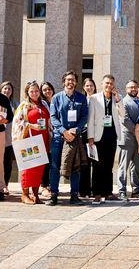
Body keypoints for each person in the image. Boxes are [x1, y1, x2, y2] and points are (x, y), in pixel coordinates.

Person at [48, 70, 89, 206]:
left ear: (76, 82)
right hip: (59, 138)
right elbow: (53, 117)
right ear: (63, 82)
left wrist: (75, 130)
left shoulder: (81, 98)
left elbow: (84, 117)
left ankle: (74, 195)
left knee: (75, 167)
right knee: (55, 166)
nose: (70, 82)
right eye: (68, 80)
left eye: (73, 80)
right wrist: (63, 131)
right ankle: (54, 194)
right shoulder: (56, 98)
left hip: (75, 138)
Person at [87, 75, 125, 204]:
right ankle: (97, 192)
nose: (109, 85)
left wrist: (118, 99)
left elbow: (123, 114)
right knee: (98, 165)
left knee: (109, 165)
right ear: (102, 84)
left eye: (111, 83)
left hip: (112, 136)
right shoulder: (94, 98)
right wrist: (90, 137)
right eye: (107, 83)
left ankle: (108, 192)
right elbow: (90, 119)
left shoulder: (116, 98)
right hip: (98, 136)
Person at [11, 81, 51, 204]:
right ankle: (24, 194)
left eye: (36, 91)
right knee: (28, 167)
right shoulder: (24, 106)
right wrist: (31, 125)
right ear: (27, 92)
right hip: (28, 140)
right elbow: (17, 122)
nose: (34, 93)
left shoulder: (44, 104)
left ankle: (35, 194)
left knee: (39, 168)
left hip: (43, 139)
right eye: (31, 91)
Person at [119, 80, 139, 200]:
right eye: (130, 87)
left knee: (136, 166)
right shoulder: (123, 102)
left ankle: (135, 189)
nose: (133, 89)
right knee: (124, 165)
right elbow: (125, 120)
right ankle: (122, 190)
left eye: (135, 87)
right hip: (127, 138)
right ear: (126, 89)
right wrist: (137, 131)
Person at [0, 81, 17, 196]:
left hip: (10, 137)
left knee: (8, 163)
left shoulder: (14, 104)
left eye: (9, 89)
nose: (7, 91)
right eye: (5, 89)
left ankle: (5, 185)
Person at [79, 78, 96, 198]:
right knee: (84, 163)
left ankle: (95, 189)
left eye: (91, 85)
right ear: (84, 87)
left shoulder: (98, 100)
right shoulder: (81, 100)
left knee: (95, 163)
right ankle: (84, 190)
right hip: (83, 134)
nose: (89, 88)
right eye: (87, 86)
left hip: (96, 134)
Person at [39, 81, 55, 198]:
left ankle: (50, 184)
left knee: (52, 161)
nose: (47, 91)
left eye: (49, 89)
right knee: (45, 160)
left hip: (56, 135)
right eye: (44, 90)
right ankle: (44, 185)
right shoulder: (41, 104)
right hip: (44, 135)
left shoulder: (56, 100)